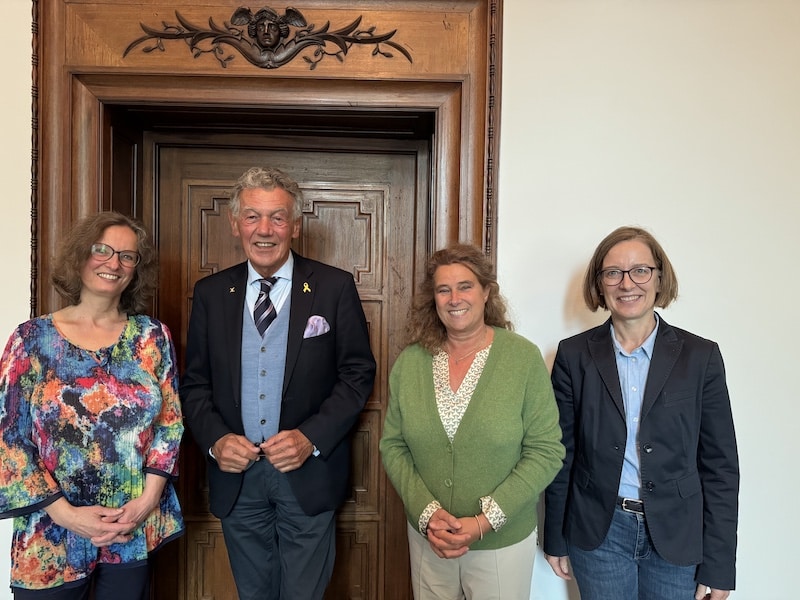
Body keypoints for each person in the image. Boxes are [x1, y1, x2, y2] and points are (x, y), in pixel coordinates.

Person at [180, 166, 376, 600]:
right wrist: (216, 441)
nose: (264, 230)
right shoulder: (211, 293)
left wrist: (311, 437)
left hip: (308, 475)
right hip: (238, 478)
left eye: (277, 217)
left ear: (296, 226)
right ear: (235, 224)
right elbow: (194, 384)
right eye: (252, 216)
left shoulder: (334, 286)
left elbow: (357, 374)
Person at [543, 226, 739, 600]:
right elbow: (560, 453)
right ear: (599, 284)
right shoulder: (573, 355)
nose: (627, 283)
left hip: (678, 536)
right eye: (613, 272)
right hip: (599, 534)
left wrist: (719, 564)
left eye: (640, 270)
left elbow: (720, 466)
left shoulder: (701, 357)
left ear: (659, 277)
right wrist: (555, 536)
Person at [0, 211, 184, 599]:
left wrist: (146, 502)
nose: (113, 263)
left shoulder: (153, 337)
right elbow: (8, 438)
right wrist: (67, 515)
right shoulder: (31, 339)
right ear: (80, 255)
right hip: (50, 535)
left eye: (127, 256)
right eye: (102, 250)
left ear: (136, 269)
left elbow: (170, 425)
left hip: (129, 529)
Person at [380, 243, 565, 599]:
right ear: (433, 299)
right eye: (443, 290)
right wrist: (427, 513)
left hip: (502, 544)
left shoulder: (522, 359)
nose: (454, 299)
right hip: (430, 540)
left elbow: (546, 451)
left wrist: (483, 522)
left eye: (465, 286)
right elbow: (393, 446)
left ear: (486, 292)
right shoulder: (411, 362)